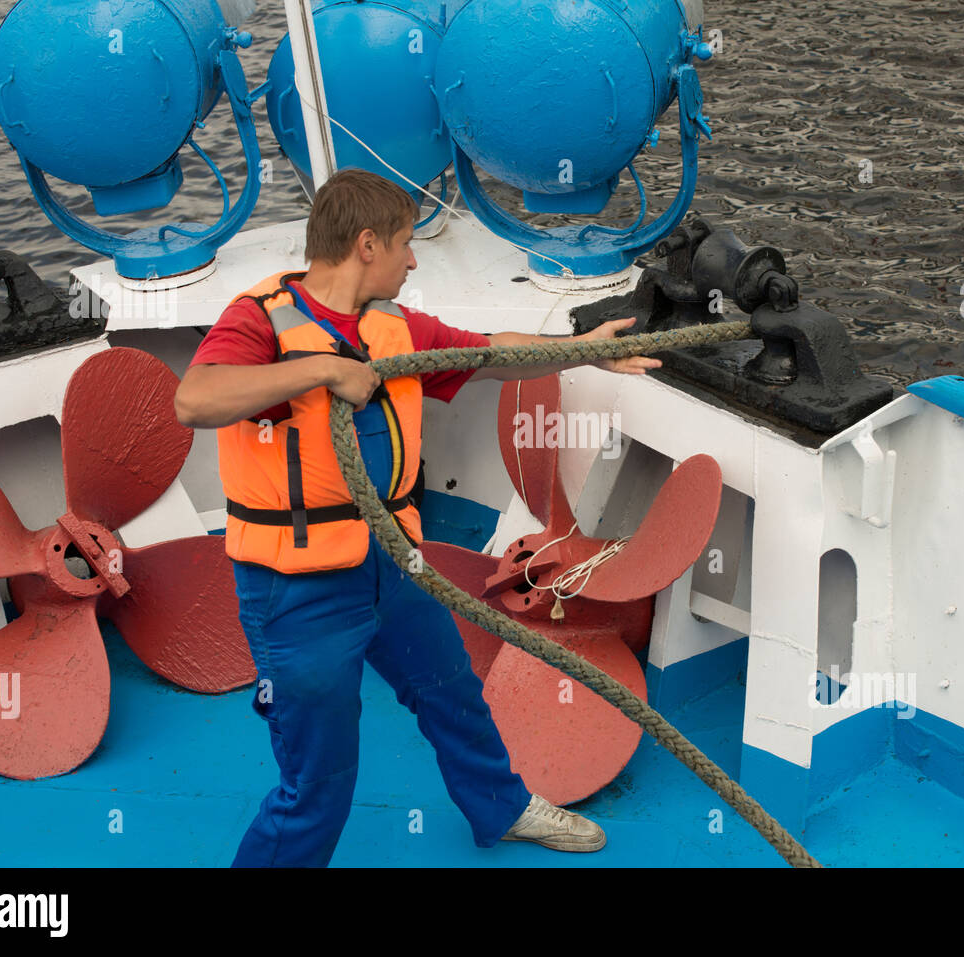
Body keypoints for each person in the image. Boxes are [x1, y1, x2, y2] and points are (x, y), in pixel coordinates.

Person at [173, 168, 660, 867]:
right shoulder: (262, 317)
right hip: (299, 590)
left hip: (394, 564)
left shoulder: (395, 326)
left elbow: (489, 352)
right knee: (319, 783)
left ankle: (503, 806)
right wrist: (321, 372)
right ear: (366, 245)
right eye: (405, 244)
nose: (414, 258)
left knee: (452, 691)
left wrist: (591, 352)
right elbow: (196, 398)